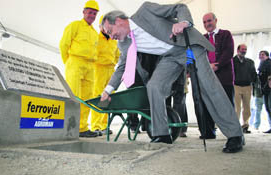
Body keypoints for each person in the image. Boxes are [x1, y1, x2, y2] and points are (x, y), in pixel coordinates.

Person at [100, 2, 244, 153]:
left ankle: (235, 135)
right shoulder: (124, 44)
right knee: (154, 86)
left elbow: (179, 7)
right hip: (170, 57)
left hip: (187, 46)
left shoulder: (146, 11)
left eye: (110, 31)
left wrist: (183, 22)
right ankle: (162, 134)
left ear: (118, 21)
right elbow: (122, 67)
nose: (112, 37)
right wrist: (108, 90)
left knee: (209, 87)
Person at [59, 0, 99, 138]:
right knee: (74, 97)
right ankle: (69, 128)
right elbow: (64, 45)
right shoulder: (74, 26)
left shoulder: (95, 33)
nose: (92, 15)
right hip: (75, 63)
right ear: (83, 12)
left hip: (90, 66)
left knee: (87, 98)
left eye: (94, 13)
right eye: (90, 12)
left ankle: (82, 128)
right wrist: (69, 63)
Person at [201, 12, 235, 139]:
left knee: (227, 106)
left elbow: (229, 52)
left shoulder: (225, 34)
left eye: (209, 20)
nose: (207, 24)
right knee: (208, 105)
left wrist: (217, 65)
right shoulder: (202, 38)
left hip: (224, 76)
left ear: (216, 20)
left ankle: (233, 134)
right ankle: (209, 132)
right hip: (208, 78)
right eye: (204, 22)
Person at [90, 16, 120, 136]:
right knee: (98, 96)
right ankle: (96, 125)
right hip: (98, 69)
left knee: (108, 98)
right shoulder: (96, 38)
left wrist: (114, 63)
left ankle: (104, 125)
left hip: (110, 69)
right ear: (100, 26)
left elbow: (118, 55)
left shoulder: (114, 40)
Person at [233, 44, 256, 133]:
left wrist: (252, 82)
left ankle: (245, 126)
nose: (244, 51)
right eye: (242, 49)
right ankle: (236, 126)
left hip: (247, 86)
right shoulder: (232, 61)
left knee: (247, 107)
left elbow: (253, 73)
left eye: (245, 49)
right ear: (238, 50)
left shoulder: (250, 62)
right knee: (237, 107)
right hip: (236, 86)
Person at [258, 50, 271, 133]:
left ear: (267, 56)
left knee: (270, 107)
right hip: (265, 89)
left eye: (262, 54)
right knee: (267, 108)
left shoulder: (269, 63)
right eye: (260, 55)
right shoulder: (262, 64)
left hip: (269, 88)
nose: (261, 56)